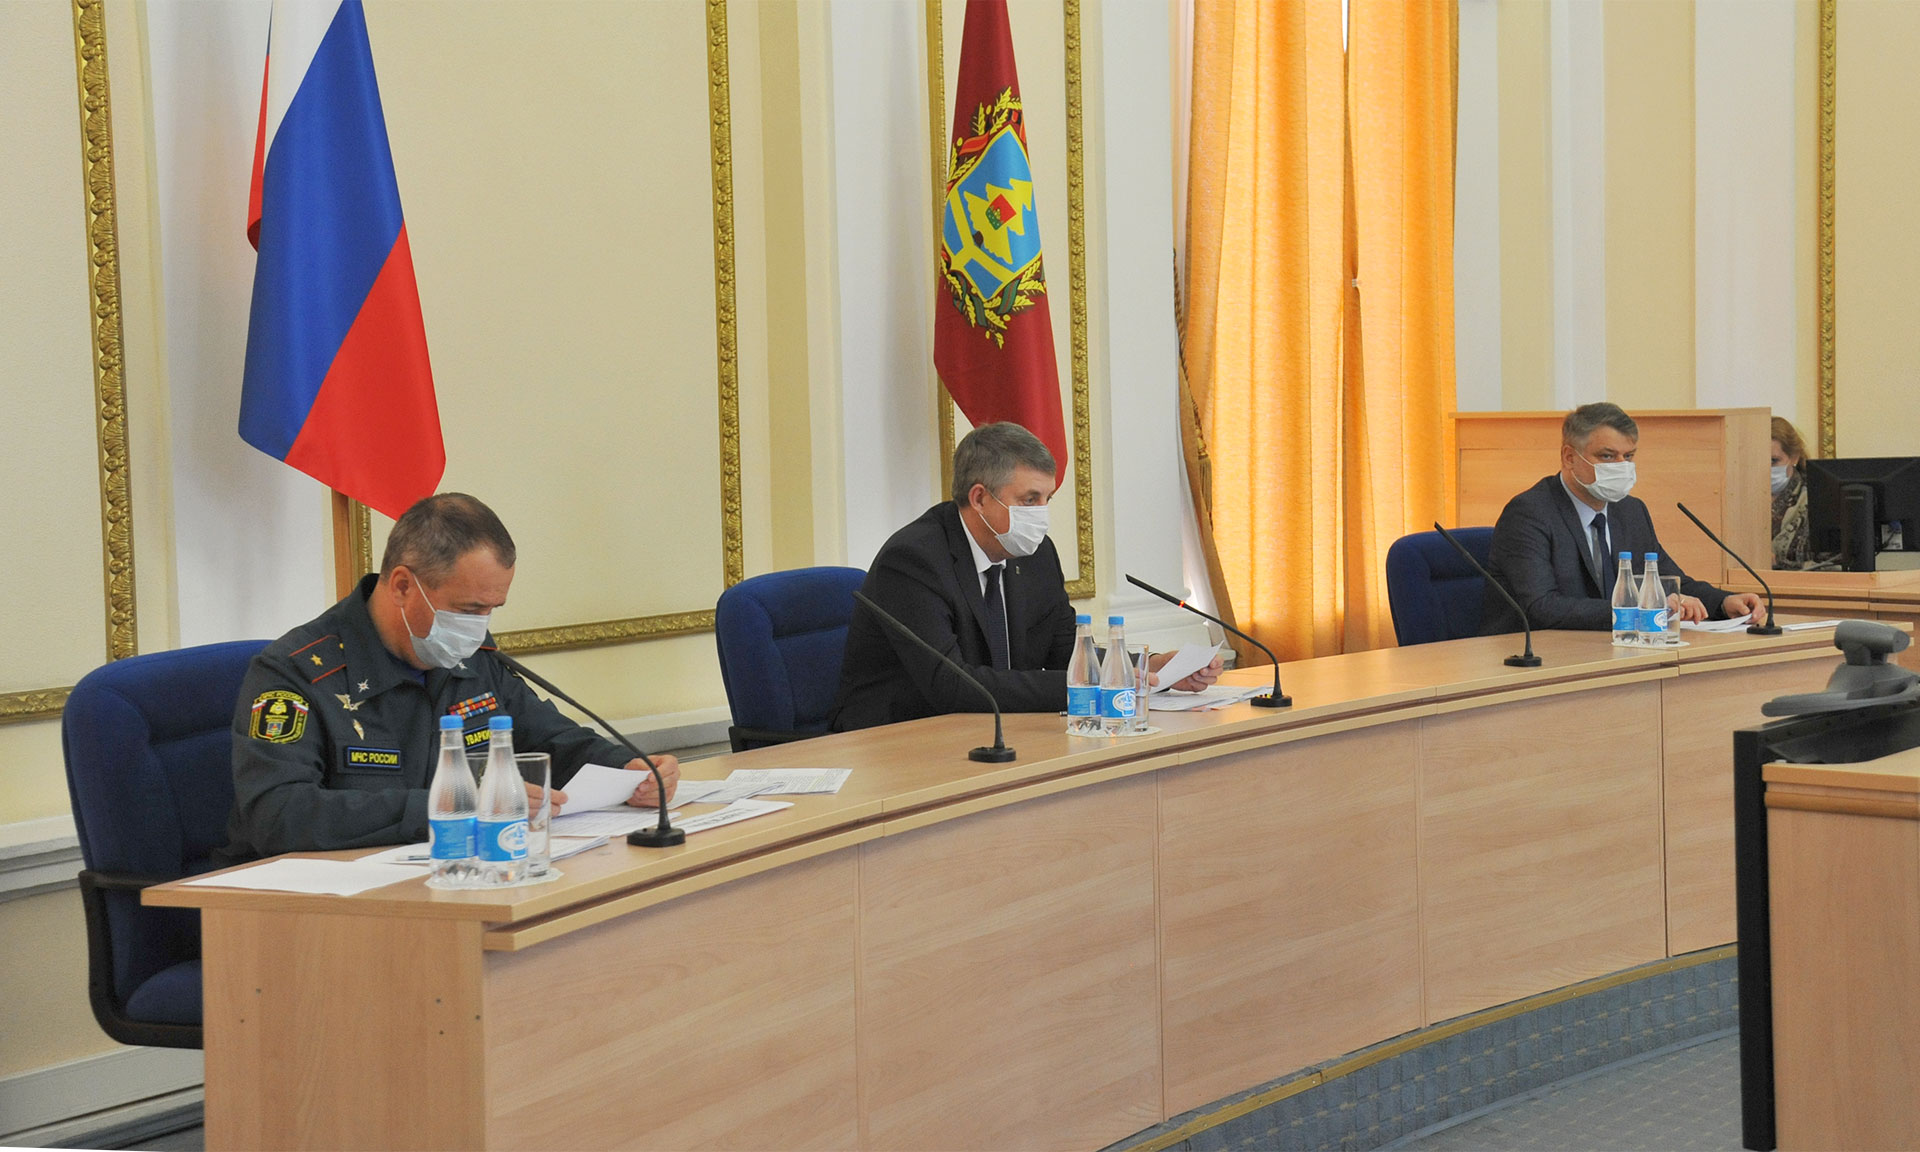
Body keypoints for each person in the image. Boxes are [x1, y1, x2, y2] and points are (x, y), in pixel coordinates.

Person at [216, 493, 679, 863]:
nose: (478, 627)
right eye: (468, 609)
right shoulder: (295, 673)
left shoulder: (473, 658)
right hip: (313, 907)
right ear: (402, 586)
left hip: (448, 879)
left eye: (491, 609)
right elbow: (278, 814)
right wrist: (453, 804)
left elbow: (555, 741)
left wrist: (629, 769)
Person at [830, 421, 1222, 731]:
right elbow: (952, 686)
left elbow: (1066, 650)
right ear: (979, 498)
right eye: (1029, 500)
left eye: (1047, 499)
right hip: (897, 739)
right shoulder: (914, 561)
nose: (1041, 515)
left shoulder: (1036, 554)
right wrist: (1091, 688)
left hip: (991, 729)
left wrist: (1144, 669)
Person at [1480, 402, 1765, 635]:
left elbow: (1668, 581)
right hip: (1534, 658)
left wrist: (1723, 602)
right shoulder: (1529, 513)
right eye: (1607, 456)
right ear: (1569, 457)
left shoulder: (1630, 511)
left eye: (1628, 456)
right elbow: (1542, 606)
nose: (1621, 467)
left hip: (1607, 648)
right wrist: (1644, 610)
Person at [1770, 416, 1825, 570]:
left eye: (1774, 461)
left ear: (1794, 457)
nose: (1766, 468)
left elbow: (1833, 566)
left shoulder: (1817, 499)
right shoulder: (1738, 499)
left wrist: (1778, 564)